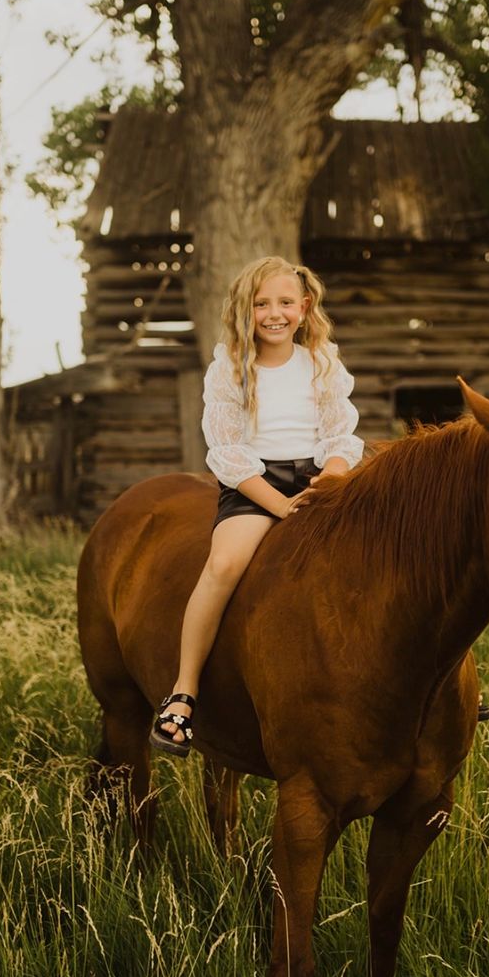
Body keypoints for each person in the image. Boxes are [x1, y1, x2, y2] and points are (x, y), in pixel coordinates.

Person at [149, 256, 363, 756]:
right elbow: (228, 450)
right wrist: (282, 506)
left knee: (386, 545)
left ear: (304, 307)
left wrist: (326, 483)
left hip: (319, 477)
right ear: (244, 310)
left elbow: (339, 434)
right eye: (261, 303)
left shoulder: (323, 361)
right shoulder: (228, 366)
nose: (274, 313)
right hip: (253, 483)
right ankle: (184, 692)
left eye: (285, 303)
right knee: (223, 564)